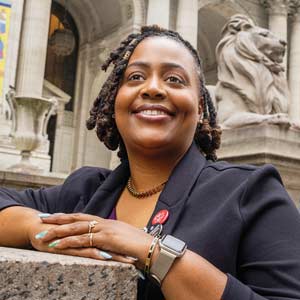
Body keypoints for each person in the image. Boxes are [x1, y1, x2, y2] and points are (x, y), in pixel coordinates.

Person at [0, 25, 300, 300]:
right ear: (114, 102)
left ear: (199, 107)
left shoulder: (251, 192)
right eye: (135, 77)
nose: (153, 88)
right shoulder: (84, 189)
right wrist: (42, 233)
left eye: (174, 79)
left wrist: (154, 252)